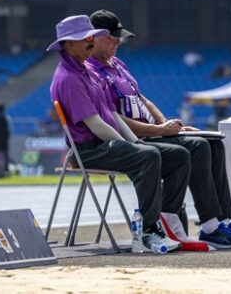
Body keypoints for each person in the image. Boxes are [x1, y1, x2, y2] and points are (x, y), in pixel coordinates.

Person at [87, 9, 231, 249]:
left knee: (213, 143)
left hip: (151, 132)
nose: (117, 42)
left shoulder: (117, 64)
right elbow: (114, 118)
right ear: (93, 37)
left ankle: (223, 221)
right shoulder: (90, 71)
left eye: (119, 37)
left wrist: (168, 126)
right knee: (198, 146)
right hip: (130, 139)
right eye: (111, 37)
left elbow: (143, 99)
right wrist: (161, 131)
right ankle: (208, 226)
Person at [48, 15, 184, 253]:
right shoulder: (69, 79)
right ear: (68, 44)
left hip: (104, 146)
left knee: (178, 155)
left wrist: (136, 142)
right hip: (87, 150)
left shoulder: (88, 72)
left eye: (92, 36)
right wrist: (133, 147)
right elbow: (95, 125)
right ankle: (149, 230)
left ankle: (169, 222)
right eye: (85, 38)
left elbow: (114, 116)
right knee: (148, 155)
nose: (91, 42)